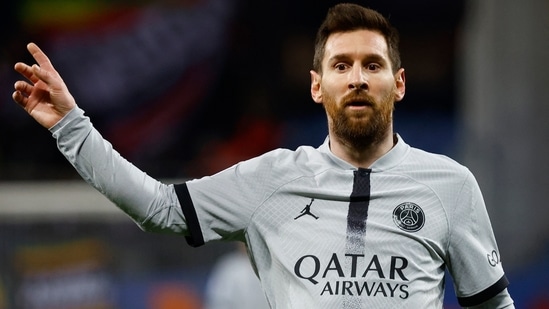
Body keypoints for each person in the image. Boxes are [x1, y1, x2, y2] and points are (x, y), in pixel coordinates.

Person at [12, 3, 514, 308]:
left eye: (372, 65)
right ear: (317, 87)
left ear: (398, 84)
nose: (357, 78)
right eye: (341, 65)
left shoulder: (450, 185)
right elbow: (160, 207)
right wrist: (71, 127)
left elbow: (492, 305)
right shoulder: (272, 179)